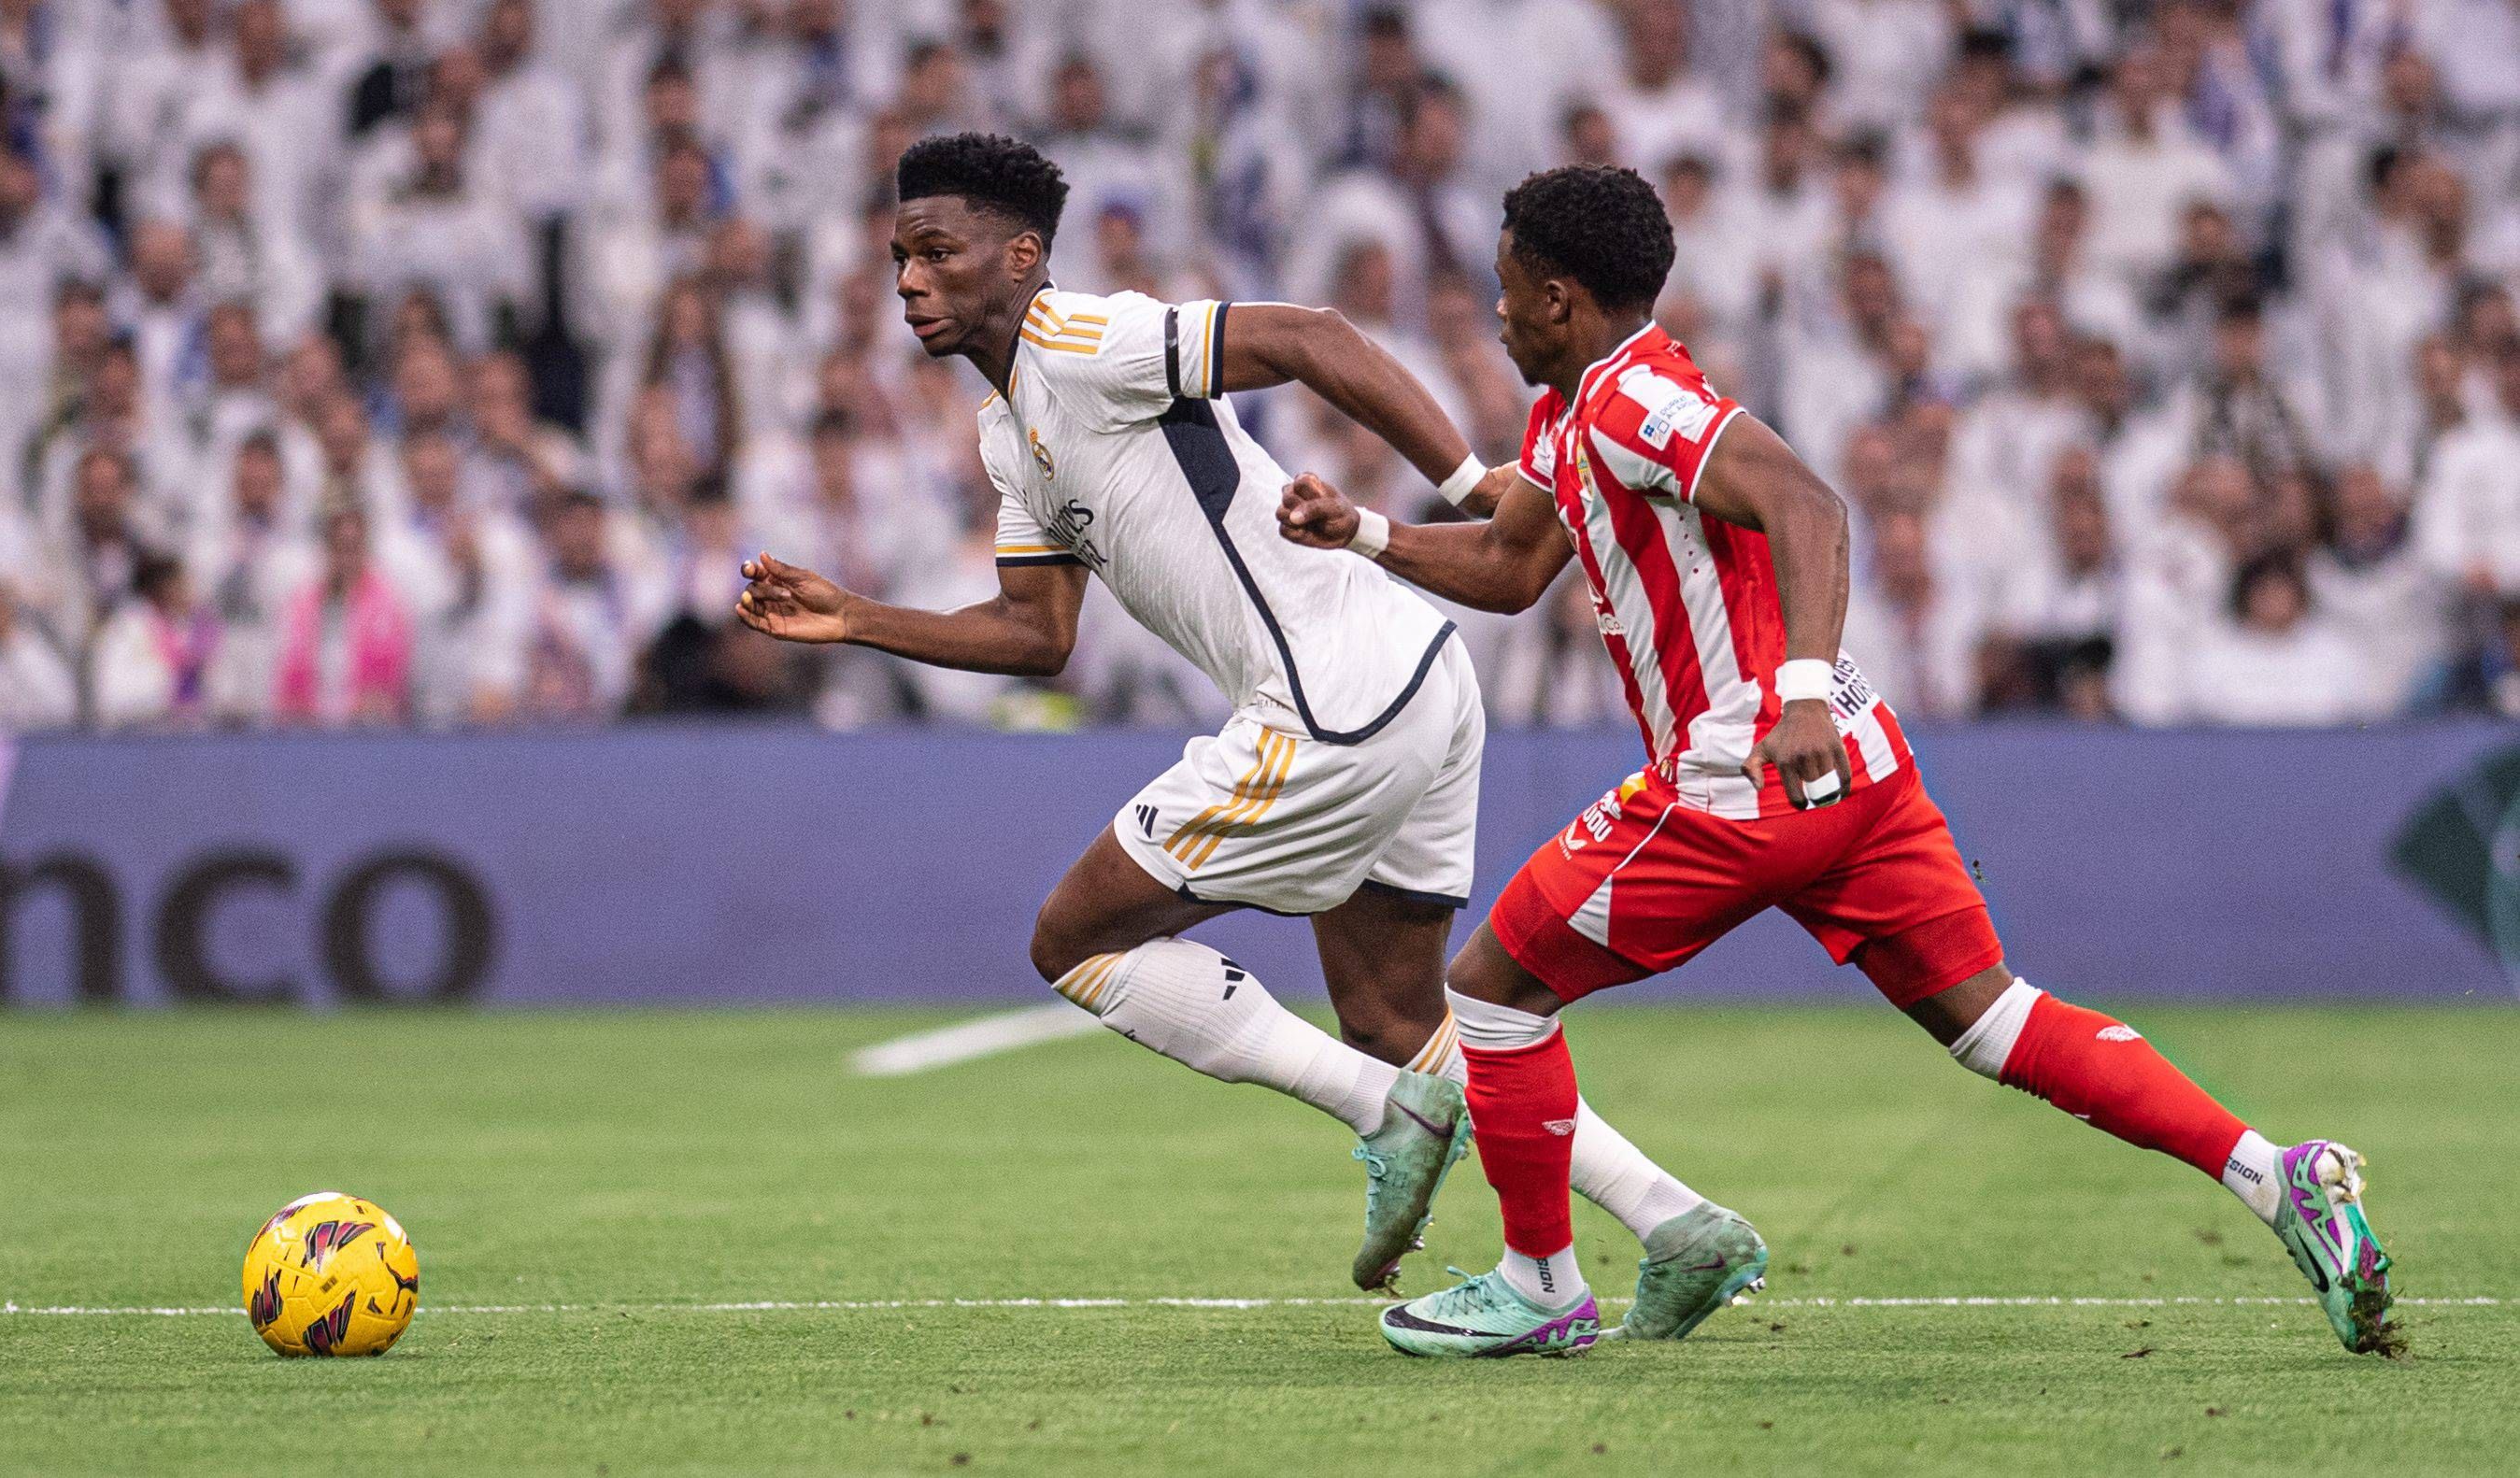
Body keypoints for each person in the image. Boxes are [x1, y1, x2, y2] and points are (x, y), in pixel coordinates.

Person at [1276, 164, 2395, 1359]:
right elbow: (1509, 568)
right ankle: (2282, 1178)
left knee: (1492, 992)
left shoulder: (1633, 401)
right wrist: (1372, 535)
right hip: (1854, 769)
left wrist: (1796, 690)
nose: (1493, 313)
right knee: (1992, 1017)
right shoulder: (1574, 411)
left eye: (1505, 292)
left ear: (1559, 299)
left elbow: (1807, 505)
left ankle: (1541, 1282)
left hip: (1745, 769)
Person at [737, 135, 1755, 1325]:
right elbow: (1034, 632)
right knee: (1392, 1016)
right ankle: (1672, 1219)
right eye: (900, 256)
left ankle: (1384, 1114)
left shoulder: (1085, 338)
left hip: (1329, 700)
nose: (908, 278)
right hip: (1416, 677)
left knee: (1074, 941)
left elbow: (1312, 336)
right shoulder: (1009, 431)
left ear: (1020, 258)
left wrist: (1475, 486)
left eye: (936, 252)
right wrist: (857, 616)